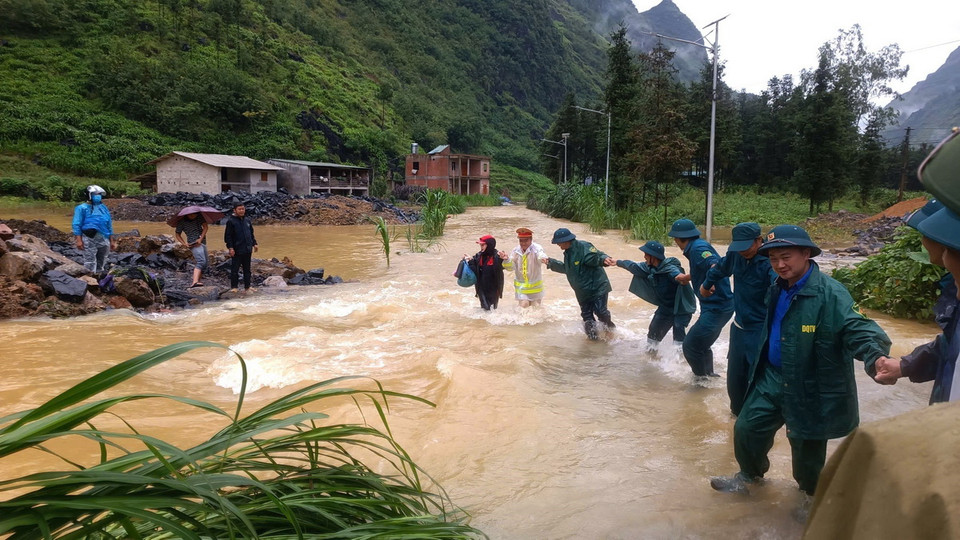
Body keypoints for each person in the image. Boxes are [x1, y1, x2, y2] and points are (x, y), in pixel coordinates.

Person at [709, 225, 893, 521]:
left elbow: (858, 328)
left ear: (806, 253)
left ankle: (810, 496)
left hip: (810, 384)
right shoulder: (776, 286)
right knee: (747, 428)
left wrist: (876, 357)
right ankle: (750, 477)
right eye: (773, 260)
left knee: (807, 447)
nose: (780, 265)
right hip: (771, 376)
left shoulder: (831, 294)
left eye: (786, 257)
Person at [874, 206, 960, 402]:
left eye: (924, 233)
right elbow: (949, 347)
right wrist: (905, 366)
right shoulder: (951, 285)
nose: (922, 241)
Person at [700, 222, 777, 416]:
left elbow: (779, 295)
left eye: (746, 247)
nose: (742, 251)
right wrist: (706, 284)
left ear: (759, 241)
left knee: (758, 379)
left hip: (761, 331)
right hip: (739, 327)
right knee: (735, 380)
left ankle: (756, 421)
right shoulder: (736, 254)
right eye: (739, 247)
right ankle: (735, 419)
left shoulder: (771, 263)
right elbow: (720, 269)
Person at [668, 218, 734, 377]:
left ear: (679, 238)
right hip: (716, 307)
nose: (675, 242)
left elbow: (714, 264)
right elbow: (704, 267)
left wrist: (709, 282)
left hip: (717, 308)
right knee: (702, 345)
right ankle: (709, 376)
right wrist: (688, 277)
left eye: (675, 238)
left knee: (690, 346)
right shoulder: (696, 247)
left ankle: (700, 382)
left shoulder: (698, 249)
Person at [605, 240, 696, 345]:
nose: (644, 257)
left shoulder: (670, 269)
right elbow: (632, 266)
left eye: (646, 254)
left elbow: (680, 277)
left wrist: (696, 274)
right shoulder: (649, 268)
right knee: (653, 332)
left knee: (678, 332)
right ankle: (651, 358)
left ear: (654, 257)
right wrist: (617, 262)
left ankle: (679, 360)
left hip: (682, 307)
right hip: (666, 306)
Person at [546, 227, 615, 340]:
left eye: (559, 242)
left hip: (597, 287)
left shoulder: (584, 247)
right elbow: (568, 269)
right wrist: (551, 263)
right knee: (587, 317)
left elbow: (596, 256)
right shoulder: (568, 253)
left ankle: (610, 332)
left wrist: (604, 260)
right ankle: (593, 340)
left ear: (566, 241)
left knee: (601, 311)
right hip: (582, 291)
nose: (558, 245)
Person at [71, 184, 116, 274]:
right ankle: (90, 279)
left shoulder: (103, 208)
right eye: (96, 194)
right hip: (89, 238)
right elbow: (76, 224)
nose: (98, 196)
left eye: (99, 194)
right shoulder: (81, 208)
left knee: (102, 260)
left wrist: (111, 241)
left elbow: (109, 224)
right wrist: (79, 240)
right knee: (90, 261)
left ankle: (99, 277)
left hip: (104, 238)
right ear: (90, 195)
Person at [501, 228, 548, 308]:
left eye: (525, 240)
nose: (523, 243)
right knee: (523, 306)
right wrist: (506, 260)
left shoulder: (536, 248)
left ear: (531, 240)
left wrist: (544, 259)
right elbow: (511, 267)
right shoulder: (515, 250)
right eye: (521, 241)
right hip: (521, 288)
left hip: (536, 288)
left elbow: (540, 255)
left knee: (535, 309)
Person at [224, 202, 258, 293]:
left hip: (247, 248)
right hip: (237, 249)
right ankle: (234, 287)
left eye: (243, 209)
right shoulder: (231, 221)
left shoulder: (247, 220)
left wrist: (254, 243)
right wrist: (230, 248)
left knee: (247, 269)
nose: (242, 211)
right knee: (235, 269)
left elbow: (251, 233)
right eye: (239, 209)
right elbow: (228, 236)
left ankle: (247, 287)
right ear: (234, 210)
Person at [466, 235, 505, 310]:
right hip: (481, 286)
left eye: (483, 245)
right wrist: (469, 260)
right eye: (480, 245)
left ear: (490, 245)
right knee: (485, 308)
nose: (481, 247)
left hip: (494, 287)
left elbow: (503, 266)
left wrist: (503, 259)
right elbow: (475, 271)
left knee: (493, 309)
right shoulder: (478, 256)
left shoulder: (497, 256)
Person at [175, 212, 209, 288]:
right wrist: (184, 243)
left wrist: (200, 239)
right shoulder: (182, 221)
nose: (192, 216)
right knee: (201, 261)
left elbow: (205, 227)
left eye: (194, 214)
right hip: (193, 243)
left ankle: (199, 281)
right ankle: (195, 282)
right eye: (190, 214)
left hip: (202, 242)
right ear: (186, 214)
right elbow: (177, 234)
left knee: (205, 263)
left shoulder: (199, 217)